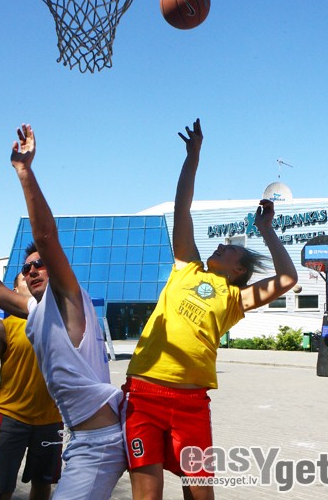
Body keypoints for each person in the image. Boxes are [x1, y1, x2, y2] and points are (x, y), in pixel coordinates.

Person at [0, 123, 126, 500]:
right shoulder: (35, 311)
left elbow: (46, 236)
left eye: (40, 264)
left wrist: (24, 171)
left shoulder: (71, 298)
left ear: (55, 269)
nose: (32, 270)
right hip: (80, 438)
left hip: (100, 443)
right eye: (26, 268)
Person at [120, 118, 298, 500]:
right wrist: (193, 157)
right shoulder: (187, 266)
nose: (222, 244)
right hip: (144, 395)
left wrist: (266, 229)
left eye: (231, 248)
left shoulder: (235, 299)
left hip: (191, 405)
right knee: (147, 495)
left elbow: (286, 279)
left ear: (239, 270)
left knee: (201, 495)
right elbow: (182, 208)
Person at [0, 272, 63, 500]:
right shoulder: (4, 329)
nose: (32, 277)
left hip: (51, 421)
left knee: (42, 486)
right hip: (11, 420)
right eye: (25, 279)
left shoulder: (61, 324)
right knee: (0, 490)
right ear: (14, 292)